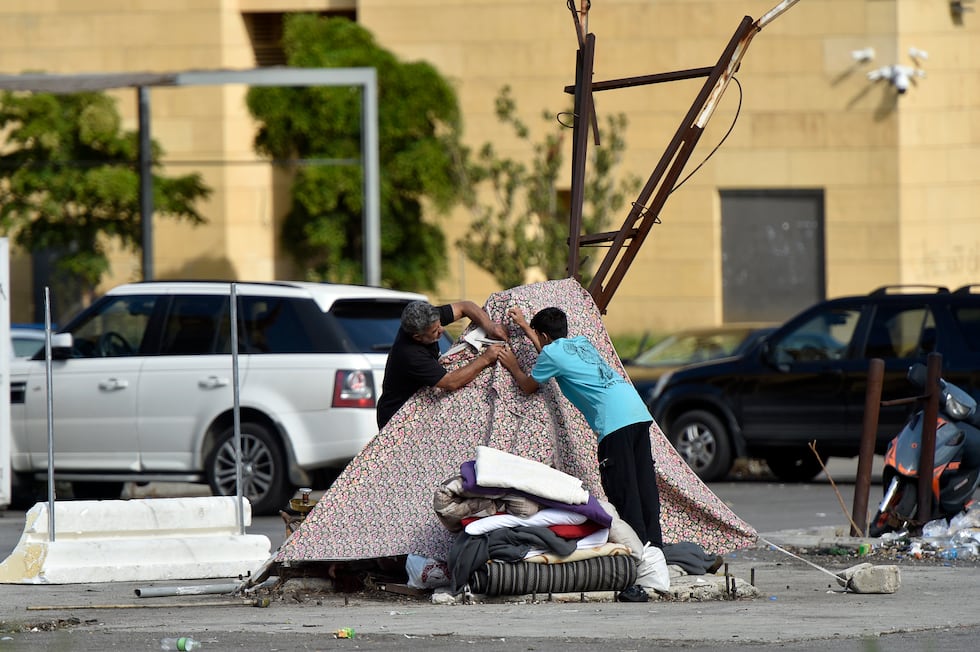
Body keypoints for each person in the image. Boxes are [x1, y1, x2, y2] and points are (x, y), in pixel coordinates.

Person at [498, 306, 664, 552]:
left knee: (624, 488)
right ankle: (656, 548)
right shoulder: (580, 343)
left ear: (543, 335)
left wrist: (513, 365)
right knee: (643, 482)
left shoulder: (551, 354)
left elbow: (528, 386)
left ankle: (639, 553)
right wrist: (525, 326)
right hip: (637, 411)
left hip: (613, 421)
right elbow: (550, 352)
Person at [376, 299, 508, 430]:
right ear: (417, 337)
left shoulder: (427, 318)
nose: (442, 330)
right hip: (399, 418)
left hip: (422, 404)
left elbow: (465, 306)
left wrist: (490, 326)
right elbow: (451, 382)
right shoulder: (410, 354)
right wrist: (485, 358)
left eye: (439, 325)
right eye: (435, 331)